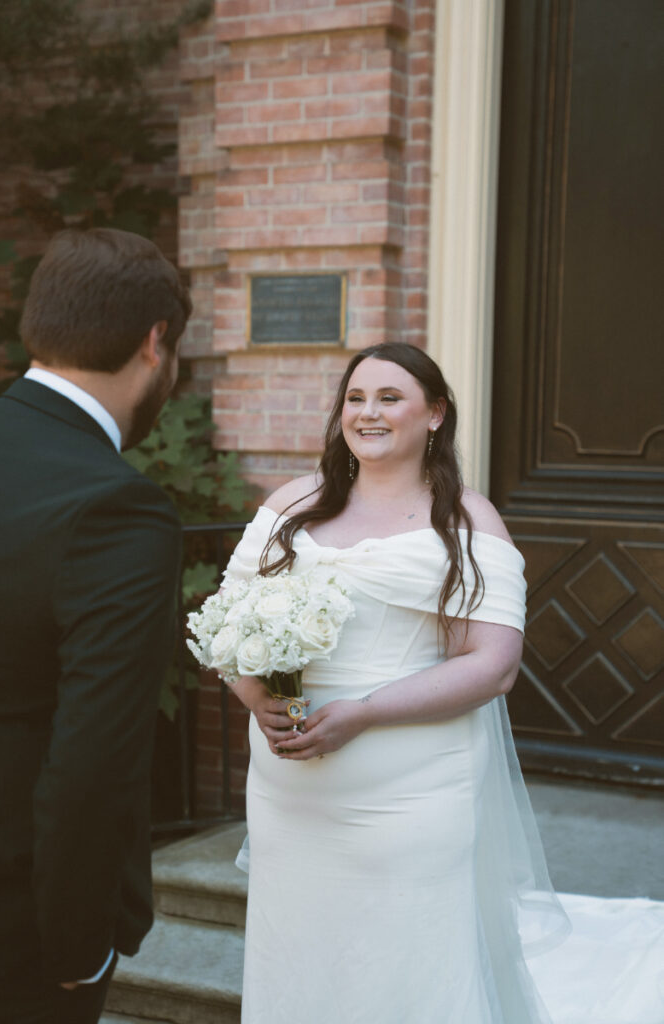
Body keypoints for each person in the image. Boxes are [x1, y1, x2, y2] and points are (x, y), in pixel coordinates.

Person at [223, 342, 570, 1023]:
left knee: (408, 957)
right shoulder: (292, 504)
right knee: (298, 950)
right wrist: (256, 696)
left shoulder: (467, 522)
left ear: (435, 414)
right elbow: (229, 624)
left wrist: (363, 714)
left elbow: (492, 665)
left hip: (412, 789)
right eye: (355, 398)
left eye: (389, 398)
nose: (367, 412)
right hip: (289, 789)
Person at [0, 227, 191, 1023]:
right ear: (154, 342)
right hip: (13, 921)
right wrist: (77, 943)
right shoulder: (117, 508)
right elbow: (95, 753)